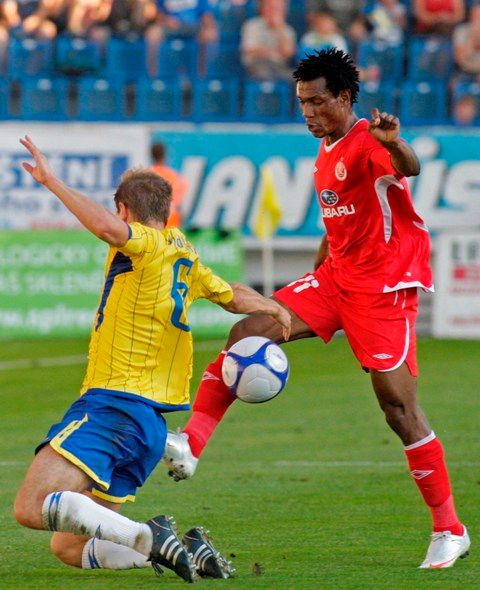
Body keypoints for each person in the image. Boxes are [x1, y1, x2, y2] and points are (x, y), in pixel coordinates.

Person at [163, 48, 471, 570]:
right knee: (250, 329)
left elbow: (407, 167)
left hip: (382, 290)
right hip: (335, 279)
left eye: (317, 102)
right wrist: (303, 286)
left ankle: (450, 528)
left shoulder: (368, 143)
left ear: (345, 97)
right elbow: (337, 230)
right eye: (301, 102)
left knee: (398, 410)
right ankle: (191, 443)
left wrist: (396, 144)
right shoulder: (325, 150)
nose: (307, 112)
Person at [13, 136, 291, 582]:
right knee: (68, 546)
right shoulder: (184, 253)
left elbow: (107, 229)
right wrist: (273, 305)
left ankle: (148, 537)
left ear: (124, 210)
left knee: (29, 507)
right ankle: (184, 552)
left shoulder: (142, 243)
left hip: (114, 404)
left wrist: (50, 180)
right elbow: (232, 296)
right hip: (149, 428)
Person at [240, 0, 296, 81]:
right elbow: (250, 51)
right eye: (271, 6)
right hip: (257, 65)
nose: (274, 10)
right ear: (262, 8)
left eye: (278, 8)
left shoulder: (287, 29)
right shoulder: (252, 26)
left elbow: (288, 53)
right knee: (265, 75)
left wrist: (280, 29)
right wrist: (274, 52)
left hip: (279, 67)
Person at [151, 141, 188, 228]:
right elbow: (179, 202)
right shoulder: (173, 175)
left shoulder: (146, 175)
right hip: (171, 218)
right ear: (164, 155)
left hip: (153, 219)